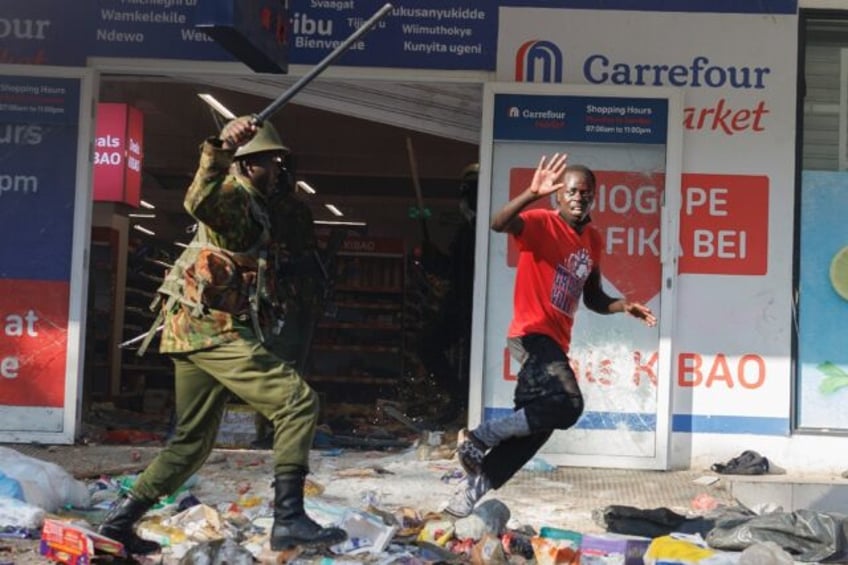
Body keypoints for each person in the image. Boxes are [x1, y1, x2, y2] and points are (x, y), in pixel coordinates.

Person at [98, 116, 346, 554]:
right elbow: (198, 199)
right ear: (249, 165)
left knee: (191, 443)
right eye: (271, 162)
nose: (280, 171)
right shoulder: (233, 195)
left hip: (191, 330)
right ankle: (288, 519)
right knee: (298, 402)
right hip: (212, 329)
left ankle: (116, 526)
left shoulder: (258, 204)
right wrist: (219, 148)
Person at [444, 153, 657, 518]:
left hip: (555, 341)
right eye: (572, 191)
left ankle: (463, 499)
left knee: (533, 433)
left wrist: (624, 306)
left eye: (586, 193)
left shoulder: (592, 240)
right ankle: (480, 436)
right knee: (569, 404)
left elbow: (592, 298)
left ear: (593, 197)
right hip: (531, 334)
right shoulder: (541, 223)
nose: (579, 198)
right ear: (559, 196)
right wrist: (530, 193)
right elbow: (499, 223)